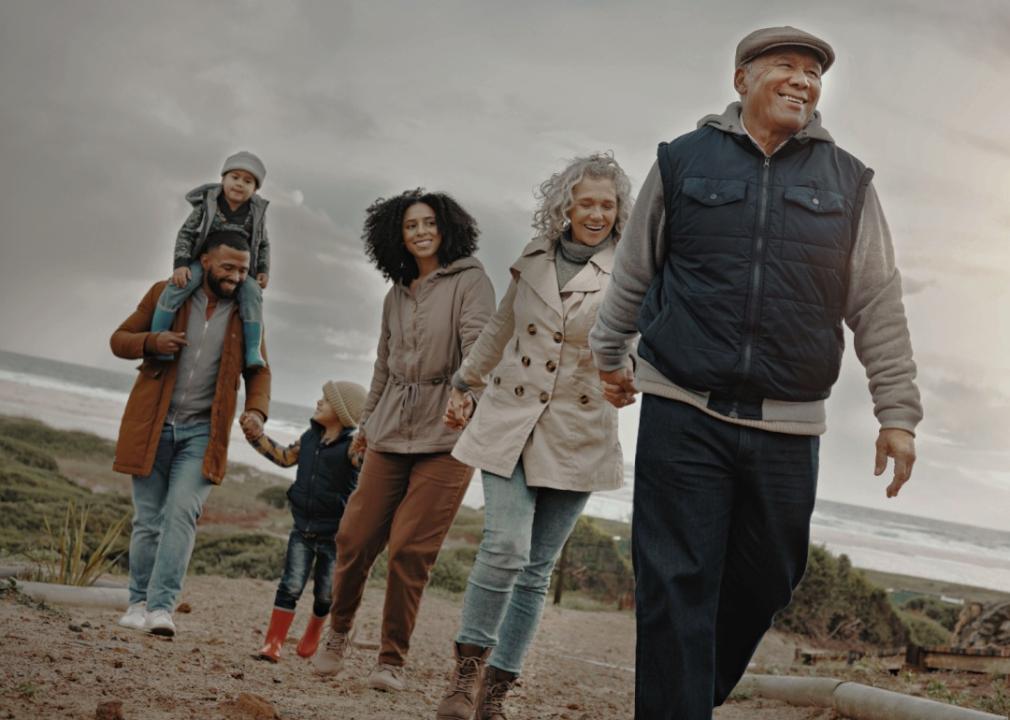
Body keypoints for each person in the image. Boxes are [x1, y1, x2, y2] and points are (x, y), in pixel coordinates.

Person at [589, 26, 923, 719]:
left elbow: (877, 300)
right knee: (674, 582)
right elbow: (635, 268)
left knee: (768, 578)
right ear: (742, 79)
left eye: (814, 72)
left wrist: (898, 414)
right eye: (786, 66)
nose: (803, 80)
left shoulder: (848, 182)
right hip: (682, 404)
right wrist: (609, 355)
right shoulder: (683, 161)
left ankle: (686, 696)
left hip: (788, 422)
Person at [434, 153, 633, 720]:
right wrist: (465, 382)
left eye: (607, 204)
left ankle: (493, 696)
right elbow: (500, 328)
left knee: (537, 569)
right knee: (506, 548)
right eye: (585, 202)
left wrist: (628, 378)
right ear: (564, 205)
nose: (596, 213)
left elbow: (638, 339)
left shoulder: (631, 270)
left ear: (619, 212)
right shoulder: (533, 258)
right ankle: (463, 675)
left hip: (579, 431)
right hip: (508, 420)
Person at [312, 189, 496, 692]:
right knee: (354, 536)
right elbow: (382, 366)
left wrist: (467, 391)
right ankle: (339, 632)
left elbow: (481, 343)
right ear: (397, 234)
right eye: (410, 225)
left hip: (449, 434)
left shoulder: (471, 280)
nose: (420, 232)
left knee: (410, 550)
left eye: (428, 222)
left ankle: (391, 659)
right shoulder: (396, 292)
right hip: (390, 428)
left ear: (446, 227)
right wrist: (366, 425)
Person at [110, 230, 271, 637]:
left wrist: (256, 410)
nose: (236, 276)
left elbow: (259, 368)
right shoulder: (167, 294)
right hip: (153, 424)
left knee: (182, 515)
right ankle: (137, 602)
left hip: (203, 431)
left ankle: (162, 608)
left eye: (244, 270)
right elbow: (119, 340)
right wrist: (152, 341)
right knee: (148, 519)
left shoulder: (245, 312)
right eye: (228, 267)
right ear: (204, 261)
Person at [244, 380, 367, 662]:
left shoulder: (351, 448)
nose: (318, 402)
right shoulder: (309, 439)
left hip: (334, 536)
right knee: (290, 585)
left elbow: (367, 464)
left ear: (341, 411)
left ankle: (313, 631)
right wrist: (255, 436)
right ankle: (273, 643)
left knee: (325, 595)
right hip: (303, 529)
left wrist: (367, 443)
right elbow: (284, 457)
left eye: (325, 400)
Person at [150, 151, 271, 368]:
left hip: (238, 269)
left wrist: (263, 268)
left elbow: (263, 243)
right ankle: (158, 336)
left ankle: (253, 350)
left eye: (248, 181)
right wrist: (181, 265)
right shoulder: (208, 204)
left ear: (255, 189)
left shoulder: (256, 213)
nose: (240, 184)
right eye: (235, 177)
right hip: (205, 262)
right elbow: (186, 233)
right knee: (178, 285)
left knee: (252, 293)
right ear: (223, 179)